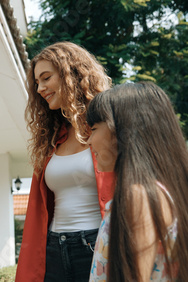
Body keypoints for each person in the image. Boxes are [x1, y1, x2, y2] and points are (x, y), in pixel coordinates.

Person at [15, 42, 116, 282]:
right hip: (53, 249)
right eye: (36, 82)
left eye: (46, 78)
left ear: (71, 74)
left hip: (98, 245)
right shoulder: (51, 138)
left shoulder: (109, 127)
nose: (40, 88)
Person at [87, 82, 188, 281]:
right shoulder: (162, 192)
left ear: (122, 131)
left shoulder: (139, 196)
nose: (89, 141)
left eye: (94, 128)